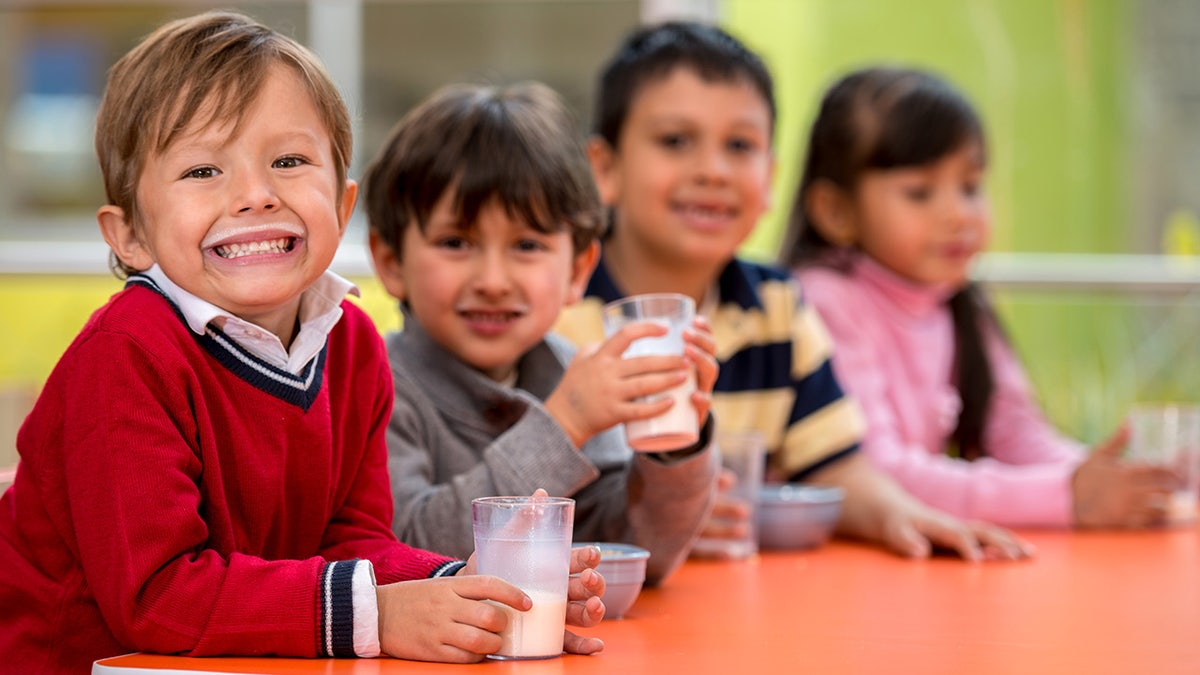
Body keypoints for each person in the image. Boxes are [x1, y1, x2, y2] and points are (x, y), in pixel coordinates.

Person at [0, 12, 605, 672]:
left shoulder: (352, 347)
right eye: (203, 170)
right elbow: (157, 595)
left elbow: (349, 539)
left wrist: (466, 586)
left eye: (288, 161)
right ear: (129, 235)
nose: (256, 195)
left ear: (343, 208)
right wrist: (379, 613)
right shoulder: (125, 355)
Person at [555, 21, 1032, 561]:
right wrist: (658, 518)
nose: (712, 170)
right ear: (606, 168)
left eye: (740, 145)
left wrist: (901, 514)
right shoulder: (557, 312)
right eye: (675, 141)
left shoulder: (778, 306)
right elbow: (514, 490)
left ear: (771, 179)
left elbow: (835, 463)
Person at [781, 66, 1180, 528]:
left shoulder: (956, 299)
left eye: (970, 187)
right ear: (835, 211)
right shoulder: (825, 301)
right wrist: (1066, 497)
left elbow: (1015, 432)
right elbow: (875, 477)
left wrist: (1109, 479)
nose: (958, 215)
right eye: (920, 192)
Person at [363, 81, 720, 586]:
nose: (492, 281)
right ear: (391, 261)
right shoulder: (374, 387)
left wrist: (675, 448)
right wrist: (565, 423)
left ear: (578, 269)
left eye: (527, 245)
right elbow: (405, 551)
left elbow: (639, 552)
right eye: (456, 242)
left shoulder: (566, 372)